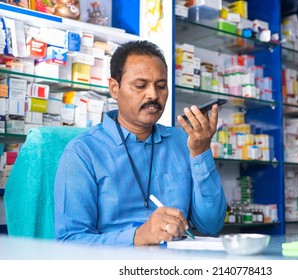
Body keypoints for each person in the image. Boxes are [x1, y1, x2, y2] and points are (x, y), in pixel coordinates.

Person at [54, 40, 227, 246]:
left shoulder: (182, 141)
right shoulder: (83, 152)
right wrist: (138, 236)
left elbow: (211, 225)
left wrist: (201, 151)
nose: (153, 95)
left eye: (161, 86)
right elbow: (70, 241)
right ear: (114, 88)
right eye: (140, 85)